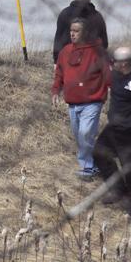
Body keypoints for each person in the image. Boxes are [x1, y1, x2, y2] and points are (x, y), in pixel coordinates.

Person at [51, 18, 111, 181]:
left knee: (85, 133)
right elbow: (59, 73)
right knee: (80, 136)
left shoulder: (97, 52)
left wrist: (117, 91)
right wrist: (56, 90)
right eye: (71, 30)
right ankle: (97, 163)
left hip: (92, 102)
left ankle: (87, 168)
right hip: (73, 103)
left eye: (76, 31)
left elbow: (108, 74)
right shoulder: (65, 51)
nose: (72, 33)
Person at [94, 47, 131, 206]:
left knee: (130, 166)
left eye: (116, 61)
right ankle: (118, 190)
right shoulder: (114, 75)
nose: (112, 64)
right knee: (99, 153)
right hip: (114, 127)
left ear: (125, 62)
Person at [53, 0, 109, 64]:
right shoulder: (97, 16)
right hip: (91, 62)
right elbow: (104, 42)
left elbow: (58, 39)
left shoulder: (64, 13)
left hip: (68, 60)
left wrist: (56, 61)